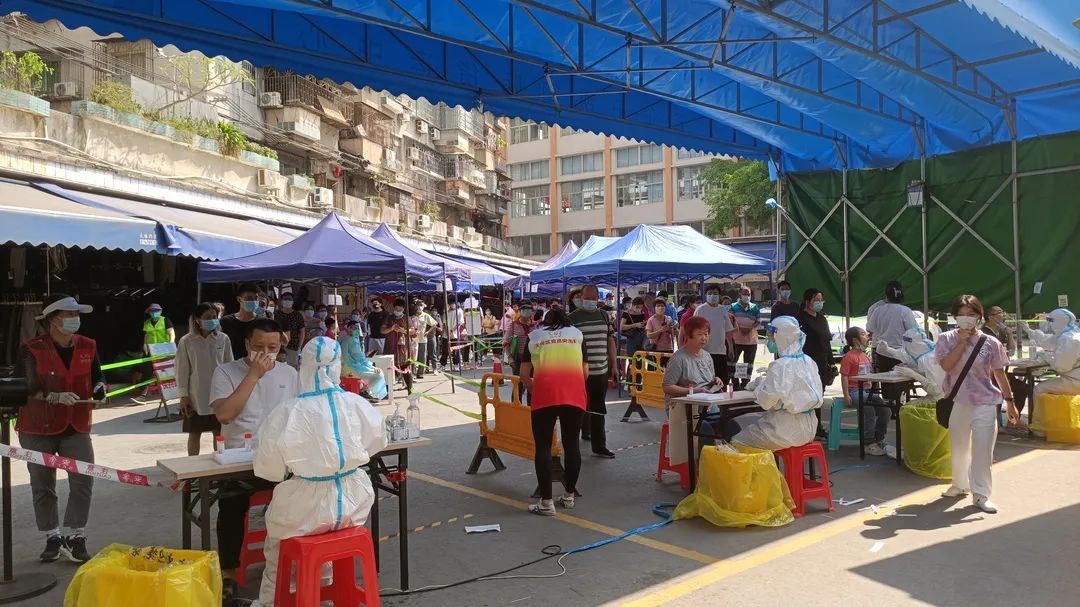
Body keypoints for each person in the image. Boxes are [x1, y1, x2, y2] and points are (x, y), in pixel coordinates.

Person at [252, 336, 386, 606]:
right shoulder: (356, 404)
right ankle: (323, 589)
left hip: (305, 507)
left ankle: (277, 600)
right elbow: (377, 442)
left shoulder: (287, 412)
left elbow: (269, 470)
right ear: (336, 366)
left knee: (279, 549)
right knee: (323, 540)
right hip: (353, 506)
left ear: (304, 367)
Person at [209, 318, 299, 599]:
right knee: (231, 505)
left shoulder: (289, 374)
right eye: (259, 346)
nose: (266, 353)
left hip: (280, 460)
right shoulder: (226, 372)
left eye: (273, 347)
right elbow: (225, 415)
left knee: (302, 496)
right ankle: (228, 573)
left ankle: (291, 563)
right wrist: (253, 376)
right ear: (247, 344)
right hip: (239, 459)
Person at [17, 294, 105, 564]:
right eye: (69, 314)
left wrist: (100, 387)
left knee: (83, 479)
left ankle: (76, 535)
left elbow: (98, 375)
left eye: (77, 314)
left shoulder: (88, 345)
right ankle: (52, 536)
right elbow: (27, 386)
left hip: (75, 424)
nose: (75, 319)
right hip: (37, 426)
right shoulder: (31, 348)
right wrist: (52, 396)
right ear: (52, 319)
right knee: (43, 483)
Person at [936, 295, 1018, 513]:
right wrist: (962, 342)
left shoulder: (991, 342)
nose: (966, 318)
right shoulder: (946, 339)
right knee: (959, 446)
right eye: (961, 314)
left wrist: (1010, 402)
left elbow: (999, 374)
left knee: (983, 448)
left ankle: (981, 493)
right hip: (957, 401)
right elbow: (947, 366)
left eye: (971, 314)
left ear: (979, 316)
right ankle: (959, 484)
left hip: (986, 401)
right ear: (954, 316)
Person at [519, 307, 586, 515]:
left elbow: (524, 374)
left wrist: (537, 390)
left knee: (543, 447)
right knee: (572, 445)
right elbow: (585, 372)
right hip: (574, 396)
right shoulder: (577, 335)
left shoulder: (534, 337)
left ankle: (546, 503)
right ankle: (569, 496)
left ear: (545, 321)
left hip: (545, 395)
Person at [733, 316, 823, 450]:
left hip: (784, 431)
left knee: (736, 440)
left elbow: (766, 402)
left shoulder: (779, 366)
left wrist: (758, 387)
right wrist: (765, 381)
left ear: (781, 337)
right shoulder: (809, 361)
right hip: (809, 429)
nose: (769, 339)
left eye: (771, 336)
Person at [662, 316, 741, 466]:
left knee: (732, 427)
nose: (704, 338)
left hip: (708, 406)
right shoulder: (679, 358)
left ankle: (729, 466)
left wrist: (716, 380)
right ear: (688, 335)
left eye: (706, 334)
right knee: (705, 430)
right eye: (699, 334)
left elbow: (709, 380)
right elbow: (667, 386)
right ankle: (703, 468)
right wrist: (693, 390)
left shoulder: (707, 356)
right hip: (684, 409)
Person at [176, 303, 233, 456]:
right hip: (196, 396)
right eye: (207, 317)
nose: (212, 320)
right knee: (194, 433)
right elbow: (181, 370)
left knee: (218, 433)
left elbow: (230, 365)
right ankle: (192, 468)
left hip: (220, 395)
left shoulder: (223, 339)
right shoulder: (187, 341)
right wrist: (183, 396)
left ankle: (219, 464)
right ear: (197, 320)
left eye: (214, 317)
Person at [569, 285, 618, 458]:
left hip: (601, 371)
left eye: (593, 298)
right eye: (587, 298)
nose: (590, 301)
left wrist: (614, 365)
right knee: (577, 408)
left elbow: (610, 341)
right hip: (579, 373)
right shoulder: (572, 318)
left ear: (598, 298)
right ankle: (573, 444)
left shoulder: (604, 315)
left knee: (598, 409)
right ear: (580, 298)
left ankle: (599, 446)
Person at [840, 327, 896, 457]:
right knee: (868, 408)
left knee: (886, 410)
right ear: (855, 340)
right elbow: (844, 376)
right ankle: (868, 443)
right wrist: (846, 394)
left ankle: (879, 439)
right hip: (854, 391)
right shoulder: (849, 357)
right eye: (863, 334)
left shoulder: (864, 355)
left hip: (866, 390)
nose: (867, 337)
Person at [1027, 308, 1080, 432]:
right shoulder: (1069, 333)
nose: (1048, 324)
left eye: (1051, 321)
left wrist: (1045, 356)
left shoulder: (1069, 339)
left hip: (1075, 381)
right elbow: (1048, 341)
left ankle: (1040, 429)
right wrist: (1029, 331)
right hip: (1073, 378)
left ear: (1059, 322)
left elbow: (1061, 366)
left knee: (1039, 389)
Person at [867, 281, 918, 401]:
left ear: (886, 295)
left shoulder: (878, 310)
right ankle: (901, 404)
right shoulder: (905, 311)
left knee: (885, 380)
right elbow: (913, 331)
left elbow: (869, 328)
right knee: (901, 381)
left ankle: (888, 403)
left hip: (881, 352)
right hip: (899, 352)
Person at [797, 288, 834, 437]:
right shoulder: (800, 318)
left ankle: (817, 426)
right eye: (816, 300)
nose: (819, 303)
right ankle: (808, 426)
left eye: (821, 300)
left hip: (822, 361)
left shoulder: (822, 318)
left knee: (819, 394)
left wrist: (831, 361)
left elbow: (827, 341)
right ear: (808, 301)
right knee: (808, 395)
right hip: (807, 362)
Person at [982, 306, 1029, 421]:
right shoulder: (984, 333)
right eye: (999, 312)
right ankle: (997, 422)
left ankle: (1013, 419)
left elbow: (1011, 351)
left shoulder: (1001, 332)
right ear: (991, 317)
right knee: (998, 390)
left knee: (1022, 388)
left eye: (1002, 312)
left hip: (1002, 370)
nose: (1003, 315)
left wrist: (1009, 334)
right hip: (988, 373)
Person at [694, 285, 733, 388]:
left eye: (715, 293)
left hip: (720, 352)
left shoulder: (723, 310)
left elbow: (728, 330)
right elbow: (693, 331)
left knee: (721, 383)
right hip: (704, 352)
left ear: (719, 296)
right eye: (710, 293)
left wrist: (731, 348)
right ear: (706, 295)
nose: (712, 295)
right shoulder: (700, 310)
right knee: (706, 383)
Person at [341, 319, 388, 400]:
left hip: (355, 366)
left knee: (377, 370)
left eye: (357, 328)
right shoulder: (348, 340)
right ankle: (366, 392)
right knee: (378, 374)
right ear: (349, 329)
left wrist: (369, 365)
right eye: (354, 328)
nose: (356, 330)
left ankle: (365, 391)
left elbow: (359, 356)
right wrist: (368, 367)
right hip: (352, 368)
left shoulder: (353, 339)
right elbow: (352, 358)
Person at [727, 287, 760, 389]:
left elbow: (758, 321)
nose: (747, 296)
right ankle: (736, 385)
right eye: (745, 294)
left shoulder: (755, 307)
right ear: (740, 295)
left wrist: (750, 328)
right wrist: (740, 328)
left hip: (751, 341)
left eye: (749, 294)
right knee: (733, 363)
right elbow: (730, 320)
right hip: (736, 340)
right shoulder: (733, 307)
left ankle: (745, 384)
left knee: (749, 364)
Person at [503, 300, 536, 401]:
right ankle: (516, 407)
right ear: (519, 311)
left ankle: (531, 407)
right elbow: (506, 343)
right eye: (524, 309)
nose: (526, 311)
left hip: (533, 360)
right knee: (518, 384)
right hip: (518, 359)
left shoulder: (536, 326)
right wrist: (510, 358)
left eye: (529, 309)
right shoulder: (513, 325)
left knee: (532, 385)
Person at [219, 283, 261, 360]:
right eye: (249, 298)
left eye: (256, 298)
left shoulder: (262, 322)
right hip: (231, 364)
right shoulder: (226, 322)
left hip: (254, 364)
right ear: (239, 299)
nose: (253, 301)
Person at [383, 298, 415, 392]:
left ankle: (410, 391)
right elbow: (382, 330)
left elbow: (413, 330)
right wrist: (391, 329)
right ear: (393, 308)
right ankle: (387, 392)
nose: (398, 311)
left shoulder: (406, 318)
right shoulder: (389, 317)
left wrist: (403, 330)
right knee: (388, 368)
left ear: (403, 309)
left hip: (403, 347)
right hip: (390, 345)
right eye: (396, 309)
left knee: (405, 367)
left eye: (400, 310)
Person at [275, 292, 305, 368]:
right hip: (279, 346)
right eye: (285, 299)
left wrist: (299, 346)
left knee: (292, 367)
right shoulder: (277, 314)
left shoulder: (297, 315)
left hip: (293, 346)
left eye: (289, 299)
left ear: (293, 301)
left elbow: (302, 331)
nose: (287, 301)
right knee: (279, 367)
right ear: (281, 301)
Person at [620, 297, 648, 374]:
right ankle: (630, 378)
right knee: (632, 360)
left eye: (641, 307)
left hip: (641, 338)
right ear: (633, 305)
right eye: (637, 307)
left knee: (641, 360)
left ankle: (639, 379)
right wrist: (634, 325)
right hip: (631, 339)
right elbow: (622, 327)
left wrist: (644, 325)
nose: (639, 309)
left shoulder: (642, 313)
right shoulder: (626, 313)